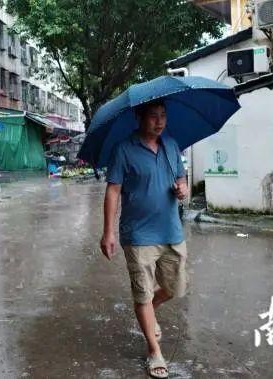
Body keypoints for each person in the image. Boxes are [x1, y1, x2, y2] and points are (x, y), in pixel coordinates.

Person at [100, 99, 188, 379]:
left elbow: (182, 177)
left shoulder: (171, 144)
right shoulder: (124, 150)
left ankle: (150, 308)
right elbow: (113, 191)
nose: (159, 122)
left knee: (175, 288)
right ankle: (154, 350)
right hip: (138, 236)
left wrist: (182, 189)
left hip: (172, 231)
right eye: (153, 116)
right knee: (142, 293)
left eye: (163, 116)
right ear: (139, 117)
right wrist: (108, 231)